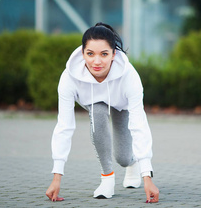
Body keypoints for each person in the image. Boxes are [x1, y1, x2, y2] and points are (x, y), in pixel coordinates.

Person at [45, 22, 160, 203]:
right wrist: (56, 178)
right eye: (90, 54)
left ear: (114, 54)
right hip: (92, 100)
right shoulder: (69, 77)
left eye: (104, 54)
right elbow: (64, 126)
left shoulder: (129, 76)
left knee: (122, 157)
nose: (96, 61)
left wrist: (147, 176)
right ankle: (107, 178)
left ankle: (132, 163)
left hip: (120, 104)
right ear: (82, 53)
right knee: (98, 113)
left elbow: (139, 125)